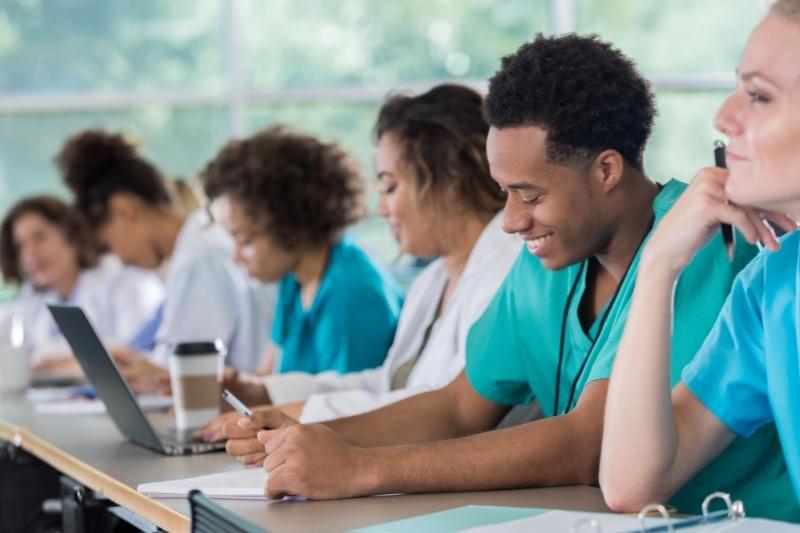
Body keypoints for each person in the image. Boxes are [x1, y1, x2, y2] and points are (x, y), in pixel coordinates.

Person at [217, 34, 793, 519]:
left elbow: (585, 444)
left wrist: (362, 468)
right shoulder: (548, 261)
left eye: (530, 195)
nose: (512, 221)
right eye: (504, 193)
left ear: (607, 170)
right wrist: (311, 438)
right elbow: (459, 406)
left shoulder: (701, 246)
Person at [200, 84, 521, 441]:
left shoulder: (507, 269)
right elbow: (386, 383)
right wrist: (266, 395)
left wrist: (298, 416)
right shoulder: (434, 279)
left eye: (390, 186)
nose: (382, 208)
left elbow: (447, 407)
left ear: (448, 177)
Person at [601, 0, 800, 519]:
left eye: (758, 96)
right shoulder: (773, 284)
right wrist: (658, 263)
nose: (723, 118)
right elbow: (632, 482)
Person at [197, 124, 403, 400]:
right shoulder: (295, 279)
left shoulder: (352, 294)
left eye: (245, 241)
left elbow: (348, 412)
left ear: (290, 225)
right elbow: (267, 380)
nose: (236, 257)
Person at [56, 129, 276, 384]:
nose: (120, 259)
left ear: (125, 210)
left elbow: (187, 371)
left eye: (109, 244)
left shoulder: (199, 258)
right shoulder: (199, 244)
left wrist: (148, 373)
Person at [0, 195, 163, 367]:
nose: (29, 254)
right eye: (20, 246)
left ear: (72, 235)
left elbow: (135, 358)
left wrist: (50, 365)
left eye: (40, 238)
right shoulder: (33, 298)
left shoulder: (127, 282)